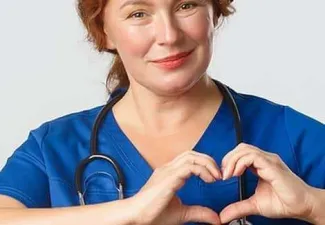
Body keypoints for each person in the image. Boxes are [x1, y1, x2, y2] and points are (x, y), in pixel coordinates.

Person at [0, 0, 324, 224]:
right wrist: (130, 213)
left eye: (186, 5)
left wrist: (312, 205)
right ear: (105, 30)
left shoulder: (291, 135)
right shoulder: (53, 148)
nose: (169, 36)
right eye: (139, 13)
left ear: (215, 12)